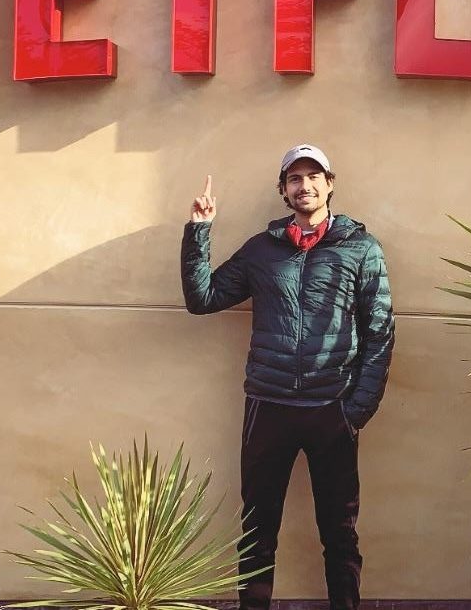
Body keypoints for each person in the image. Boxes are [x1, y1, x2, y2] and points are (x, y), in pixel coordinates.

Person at [181, 143, 395, 610]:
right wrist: (199, 229)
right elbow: (203, 298)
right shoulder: (262, 250)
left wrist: (356, 411)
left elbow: (380, 331)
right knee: (257, 533)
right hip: (269, 407)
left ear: (330, 184)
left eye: (314, 176)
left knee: (340, 533)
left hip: (331, 410)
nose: (305, 185)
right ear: (283, 190)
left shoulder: (362, 249)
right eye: (295, 178)